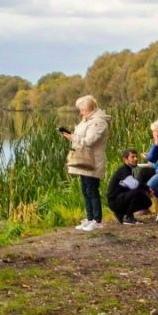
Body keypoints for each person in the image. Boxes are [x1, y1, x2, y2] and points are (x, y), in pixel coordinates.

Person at [61, 95, 111, 232]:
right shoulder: (86, 120)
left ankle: (97, 220)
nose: (80, 112)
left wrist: (73, 137)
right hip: (83, 159)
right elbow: (81, 138)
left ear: (88, 109)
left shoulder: (99, 122)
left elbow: (89, 141)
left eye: (82, 109)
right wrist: (71, 136)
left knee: (92, 189)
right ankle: (89, 219)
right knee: (85, 189)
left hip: (93, 160)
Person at [107, 149, 154, 224]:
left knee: (147, 202)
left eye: (136, 156)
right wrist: (147, 188)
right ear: (125, 159)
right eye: (132, 157)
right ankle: (128, 216)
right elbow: (134, 185)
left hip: (120, 198)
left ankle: (122, 215)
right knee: (138, 193)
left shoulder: (130, 169)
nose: (136, 159)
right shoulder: (123, 170)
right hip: (114, 201)